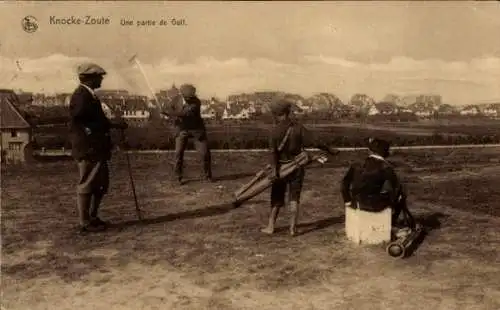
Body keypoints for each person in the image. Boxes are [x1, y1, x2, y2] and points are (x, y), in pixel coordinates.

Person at [261, 99, 339, 236]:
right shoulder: (298, 128)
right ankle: (292, 228)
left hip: (281, 168)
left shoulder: (274, 131)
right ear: (287, 112)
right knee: (294, 197)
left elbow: (273, 153)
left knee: (277, 197)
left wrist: (274, 170)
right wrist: (330, 150)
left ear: (276, 114)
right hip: (297, 166)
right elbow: (316, 142)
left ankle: (271, 226)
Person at [69, 62, 128, 234]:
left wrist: (113, 125)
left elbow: (91, 119)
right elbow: (79, 118)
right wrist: (108, 125)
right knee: (87, 183)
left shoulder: (89, 95)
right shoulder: (81, 96)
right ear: (89, 79)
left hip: (97, 147)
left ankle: (93, 218)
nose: (101, 79)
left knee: (100, 184)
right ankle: (85, 222)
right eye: (99, 77)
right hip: (89, 147)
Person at [340, 137, 416, 229]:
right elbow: (396, 188)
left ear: (370, 151)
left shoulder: (357, 164)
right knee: (401, 193)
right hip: (375, 206)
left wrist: (348, 201)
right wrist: (392, 200)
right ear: (386, 154)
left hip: (356, 202)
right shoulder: (386, 167)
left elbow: (344, 183)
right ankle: (391, 222)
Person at [161, 83, 212, 185]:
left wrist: (169, 113)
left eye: (191, 96)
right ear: (182, 94)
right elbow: (169, 107)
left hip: (197, 130)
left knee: (205, 153)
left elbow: (185, 114)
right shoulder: (176, 99)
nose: (190, 99)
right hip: (182, 129)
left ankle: (207, 176)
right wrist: (166, 109)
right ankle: (177, 177)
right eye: (187, 97)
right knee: (178, 153)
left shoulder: (196, 102)